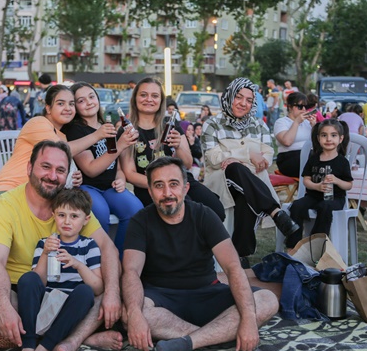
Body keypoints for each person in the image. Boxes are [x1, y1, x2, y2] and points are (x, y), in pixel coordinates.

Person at [0, 140, 124, 351]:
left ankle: (66, 342)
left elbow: (108, 248)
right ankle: (77, 339)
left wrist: (113, 292)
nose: (52, 176)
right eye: (45, 167)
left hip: (71, 291)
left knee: (100, 295)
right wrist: (4, 306)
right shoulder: (5, 205)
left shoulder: (71, 208)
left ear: (67, 175)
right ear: (29, 169)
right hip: (26, 292)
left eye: (60, 170)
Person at [122, 157, 279, 351]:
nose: (167, 193)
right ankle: (215, 337)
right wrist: (134, 314)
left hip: (207, 293)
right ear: (149, 191)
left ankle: (186, 342)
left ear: (186, 188)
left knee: (267, 300)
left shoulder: (204, 215)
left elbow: (232, 267)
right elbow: (131, 271)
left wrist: (249, 320)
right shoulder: (140, 221)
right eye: (159, 186)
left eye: (173, 184)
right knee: (129, 314)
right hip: (162, 297)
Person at [10, 188, 110, 351]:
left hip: (70, 311)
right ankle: (29, 344)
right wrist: (45, 254)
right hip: (45, 307)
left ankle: (43, 348)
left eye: (74, 216)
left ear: (86, 219)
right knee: (27, 279)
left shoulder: (89, 246)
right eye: (62, 215)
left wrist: (78, 264)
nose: (66, 221)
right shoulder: (45, 243)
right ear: (53, 214)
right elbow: (38, 282)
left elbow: (98, 287)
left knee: (85, 292)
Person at [201, 77, 299, 261]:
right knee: (236, 169)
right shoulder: (212, 124)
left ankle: (241, 255)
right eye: (239, 97)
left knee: (244, 192)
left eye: (249, 100)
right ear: (229, 97)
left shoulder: (259, 125)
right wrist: (249, 155)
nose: (243, 103)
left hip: (251, 180)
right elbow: (214, 158)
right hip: (221, 181)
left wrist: (235, 156)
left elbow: (267, 156)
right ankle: (275, 212)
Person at [0, 84, 113, 216]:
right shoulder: (38, 123)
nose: (67, 108)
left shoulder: (63, 136)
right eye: (60, 103)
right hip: (9, 192)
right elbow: (59, 151)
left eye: (71, 104)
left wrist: (73, 176)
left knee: (78, 218)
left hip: (41, 199)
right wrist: (97, 135)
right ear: (48, 108)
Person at [119, 77, 225, 221]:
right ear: (135, 98)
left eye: (155, 96)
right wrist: (163, 185)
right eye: (143, 95)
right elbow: (130, 174)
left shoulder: (171, 126)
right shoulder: (127, 130)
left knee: (216, 210)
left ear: (161, 101)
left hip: (182, 181)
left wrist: (179, 146)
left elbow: (187, 164)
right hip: (149, 187)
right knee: (187, 214)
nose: (149, 99)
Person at [63, 82, 143, 254]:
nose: (89, 102)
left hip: (110, 187)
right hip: (87, 187)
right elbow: (91, 169)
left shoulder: (106, 126)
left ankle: (122, 261)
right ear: (75, 106)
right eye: (81, 100)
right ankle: (100, 263)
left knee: (135, 210)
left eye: (92, 97)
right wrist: (120, 146)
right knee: (100, 212)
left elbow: (119, 167)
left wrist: (121, 179)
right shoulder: (75, 130)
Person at [285, 119, 353, 249]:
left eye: (333, 135)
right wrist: (316, 186)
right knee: (297, 206)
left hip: (335, 198)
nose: (328, 139)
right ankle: (293, 245)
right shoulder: (314, 158)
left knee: (325, 207)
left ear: (341, 139)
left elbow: (348, 185)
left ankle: (315, 245)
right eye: (324, 135)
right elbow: (306, 180)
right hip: (313, 196)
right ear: (318, 138)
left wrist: (337, 181)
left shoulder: (342, 161)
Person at [274, 92, 316, 178]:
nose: (304, 109)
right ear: (289, 107)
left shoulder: (308, 123)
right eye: (300, 106)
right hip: (289, 158)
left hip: (308, 156)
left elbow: (317, 144)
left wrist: (314, 127)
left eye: (306, 107)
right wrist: (296, 122)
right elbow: (287, 142)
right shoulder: (281, 122)